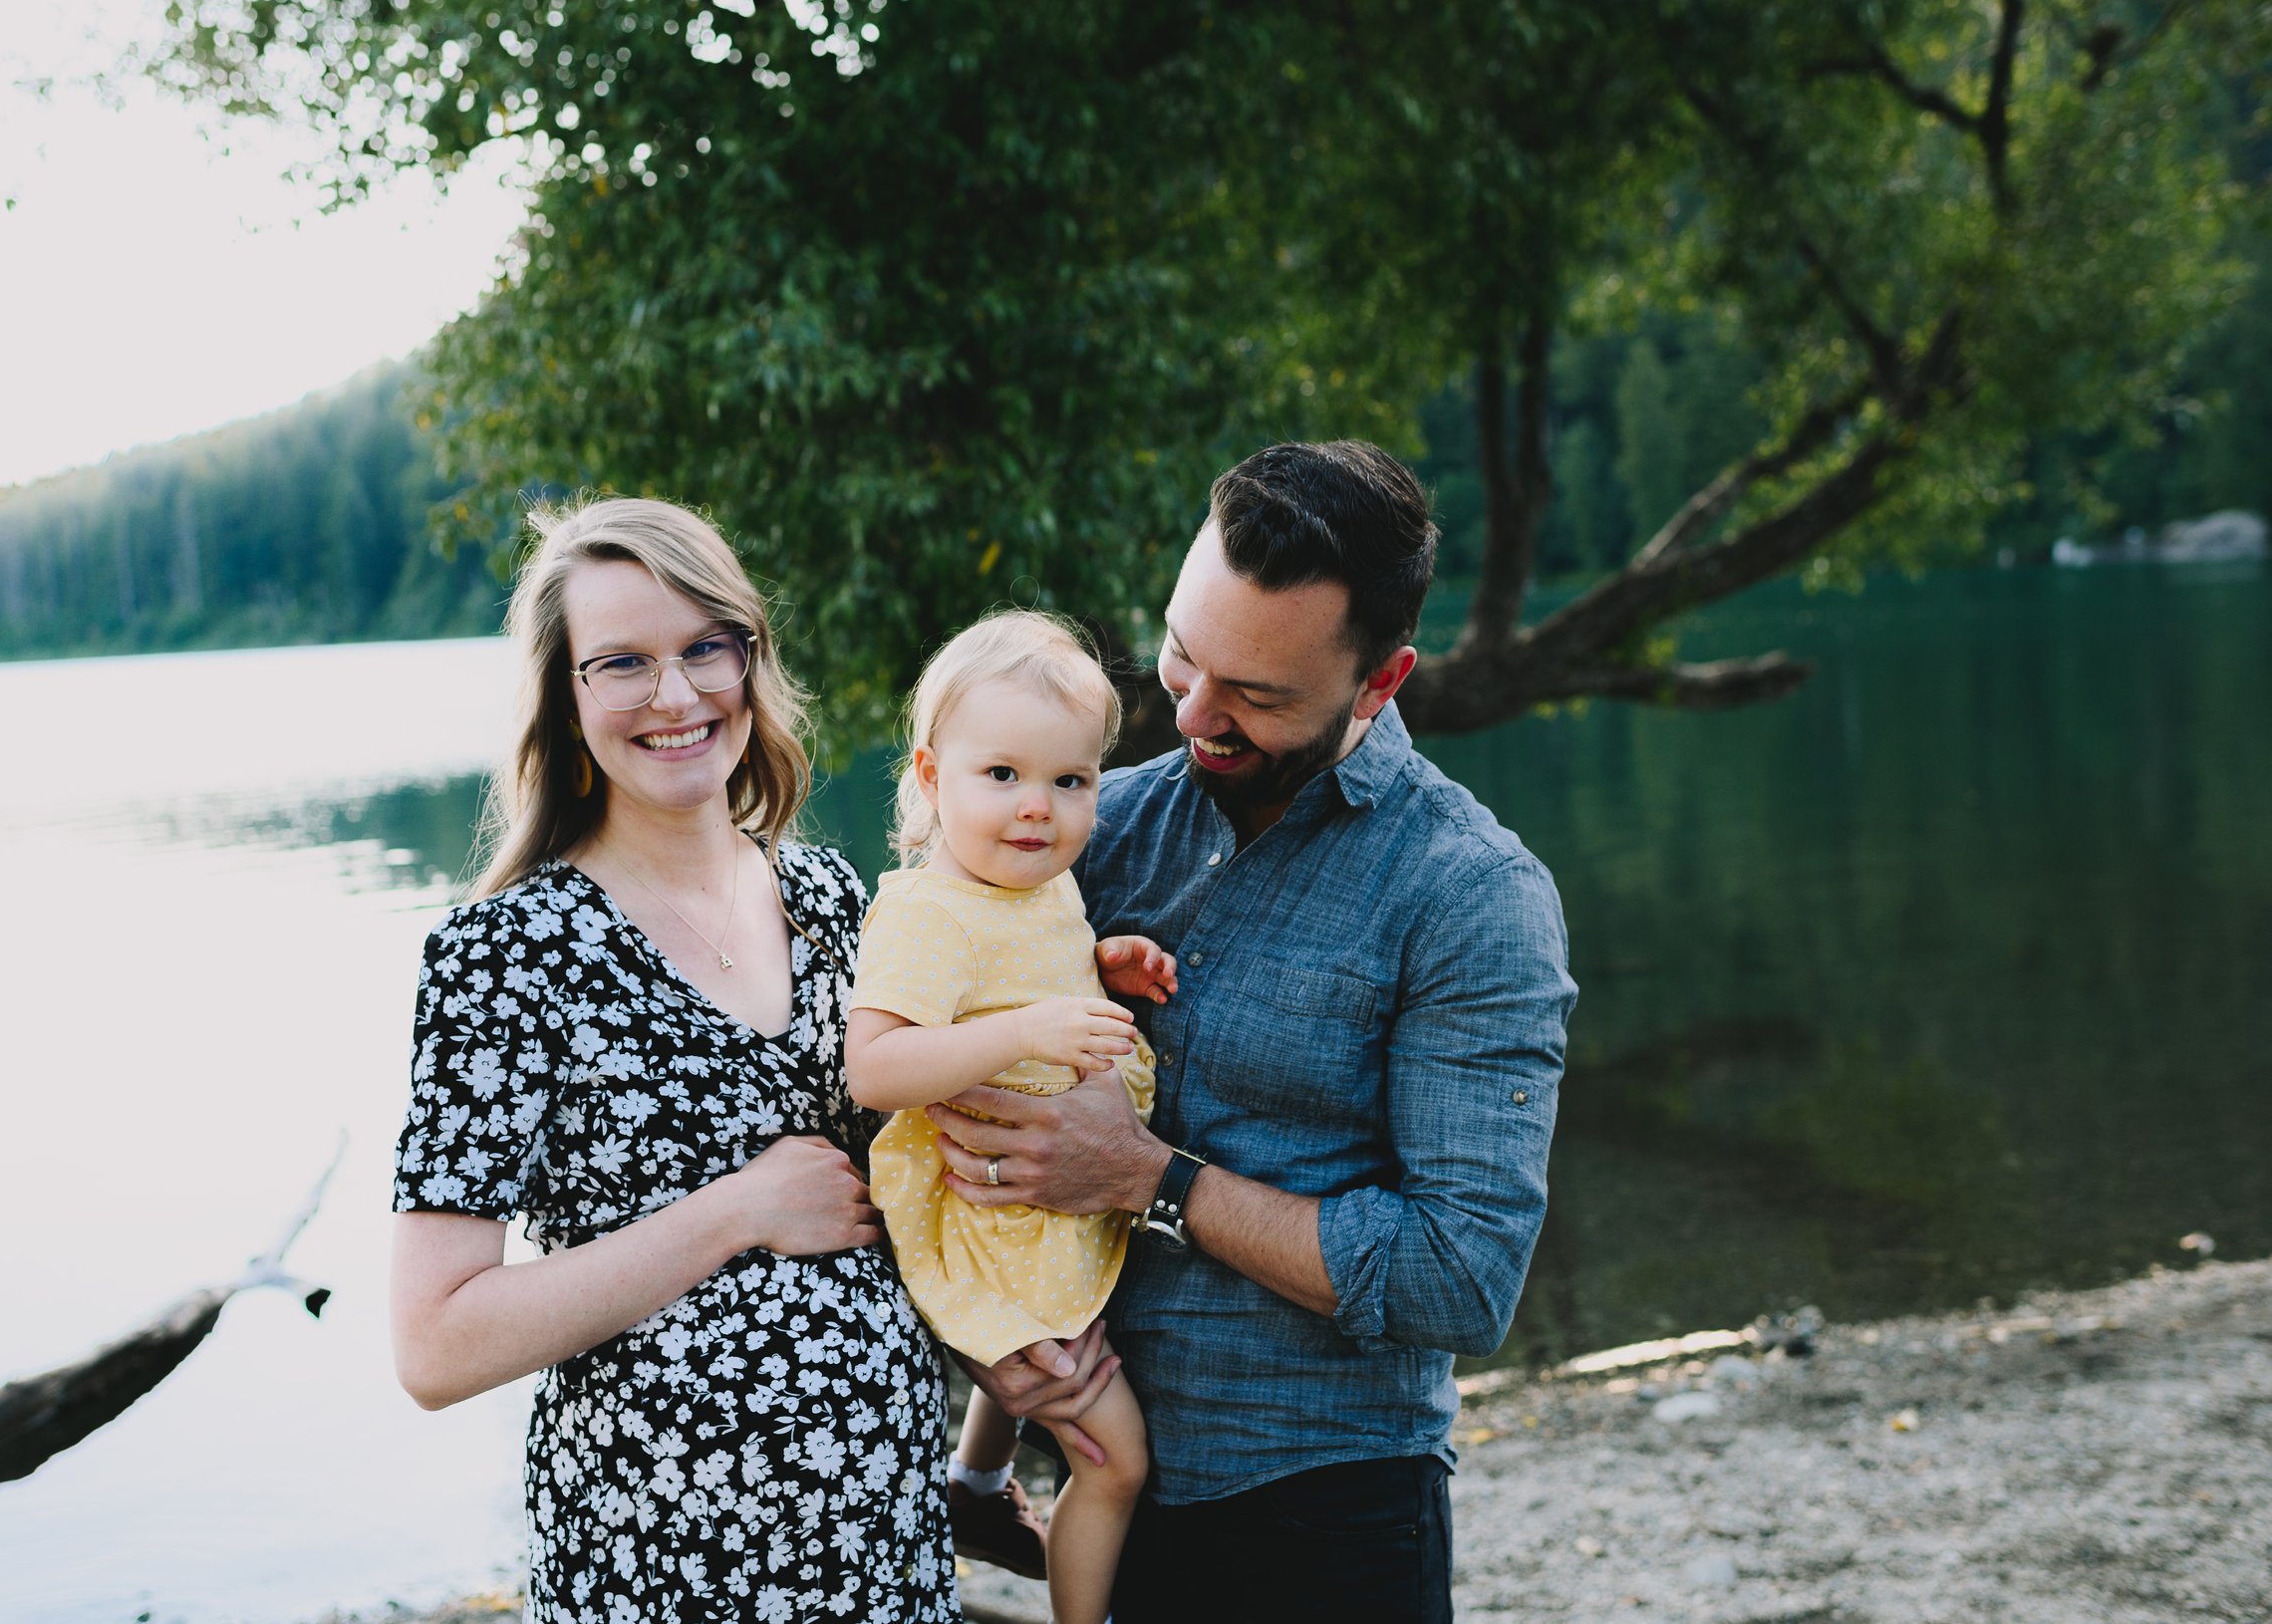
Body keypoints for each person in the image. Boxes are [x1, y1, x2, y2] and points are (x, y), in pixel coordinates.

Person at [930, 442, 1576, 1622]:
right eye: (1182, 651)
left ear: (1379, 684)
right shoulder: (1093, 825)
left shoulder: (1470, 895)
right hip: (1098, 1485)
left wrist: (1147, 1177)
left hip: (1325, 1514)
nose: (1190, 712)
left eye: (1258, 696)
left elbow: (1461, 1277)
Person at [388, 497, 959, 1624]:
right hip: (660, 1572)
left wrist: (1013, 1373)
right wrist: (737, 1209)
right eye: (622, 663)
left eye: (708, 646)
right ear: (565, 696)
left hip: (883, 1547)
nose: (678, 694)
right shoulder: (506, 957)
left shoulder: (834, 898)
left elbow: (898, 1192)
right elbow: (435, 1344)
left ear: (753, 657)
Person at [841, 611, 1175, 1624]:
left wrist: (1097, 963)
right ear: (933, 775)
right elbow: (877, 1066)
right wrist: (1032, 1019)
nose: (1038, 809)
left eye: (1070, 782)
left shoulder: (1028, 882)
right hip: (991, 1227)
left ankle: (976, 1488)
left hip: (1047, 1203)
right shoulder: (925, 910)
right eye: (1002, 777)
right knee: (1115, 1459)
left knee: (1087, 1420)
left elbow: (1018, 967)